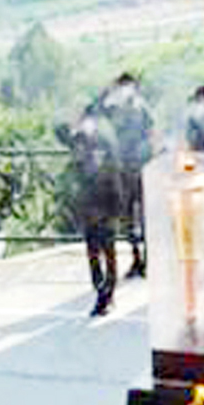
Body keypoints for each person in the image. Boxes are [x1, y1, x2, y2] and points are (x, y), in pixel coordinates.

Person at [56, 104, 122, 317]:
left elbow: (114, 176)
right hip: (88, 207)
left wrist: (115, 209)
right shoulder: (79, 139)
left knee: (108, 253)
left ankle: (107, 296)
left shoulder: (106, 140)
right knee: (94, 254)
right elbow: (59, 132)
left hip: (105, 204)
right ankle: (100, 291)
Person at [101, 72, 154, 278]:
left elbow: (151, 133)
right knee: (135, 217)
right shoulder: (124, 107)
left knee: (136, 217)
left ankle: (142, 259)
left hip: (132, 167)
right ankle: (141, 259)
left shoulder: (131, 107)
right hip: (132, 167)